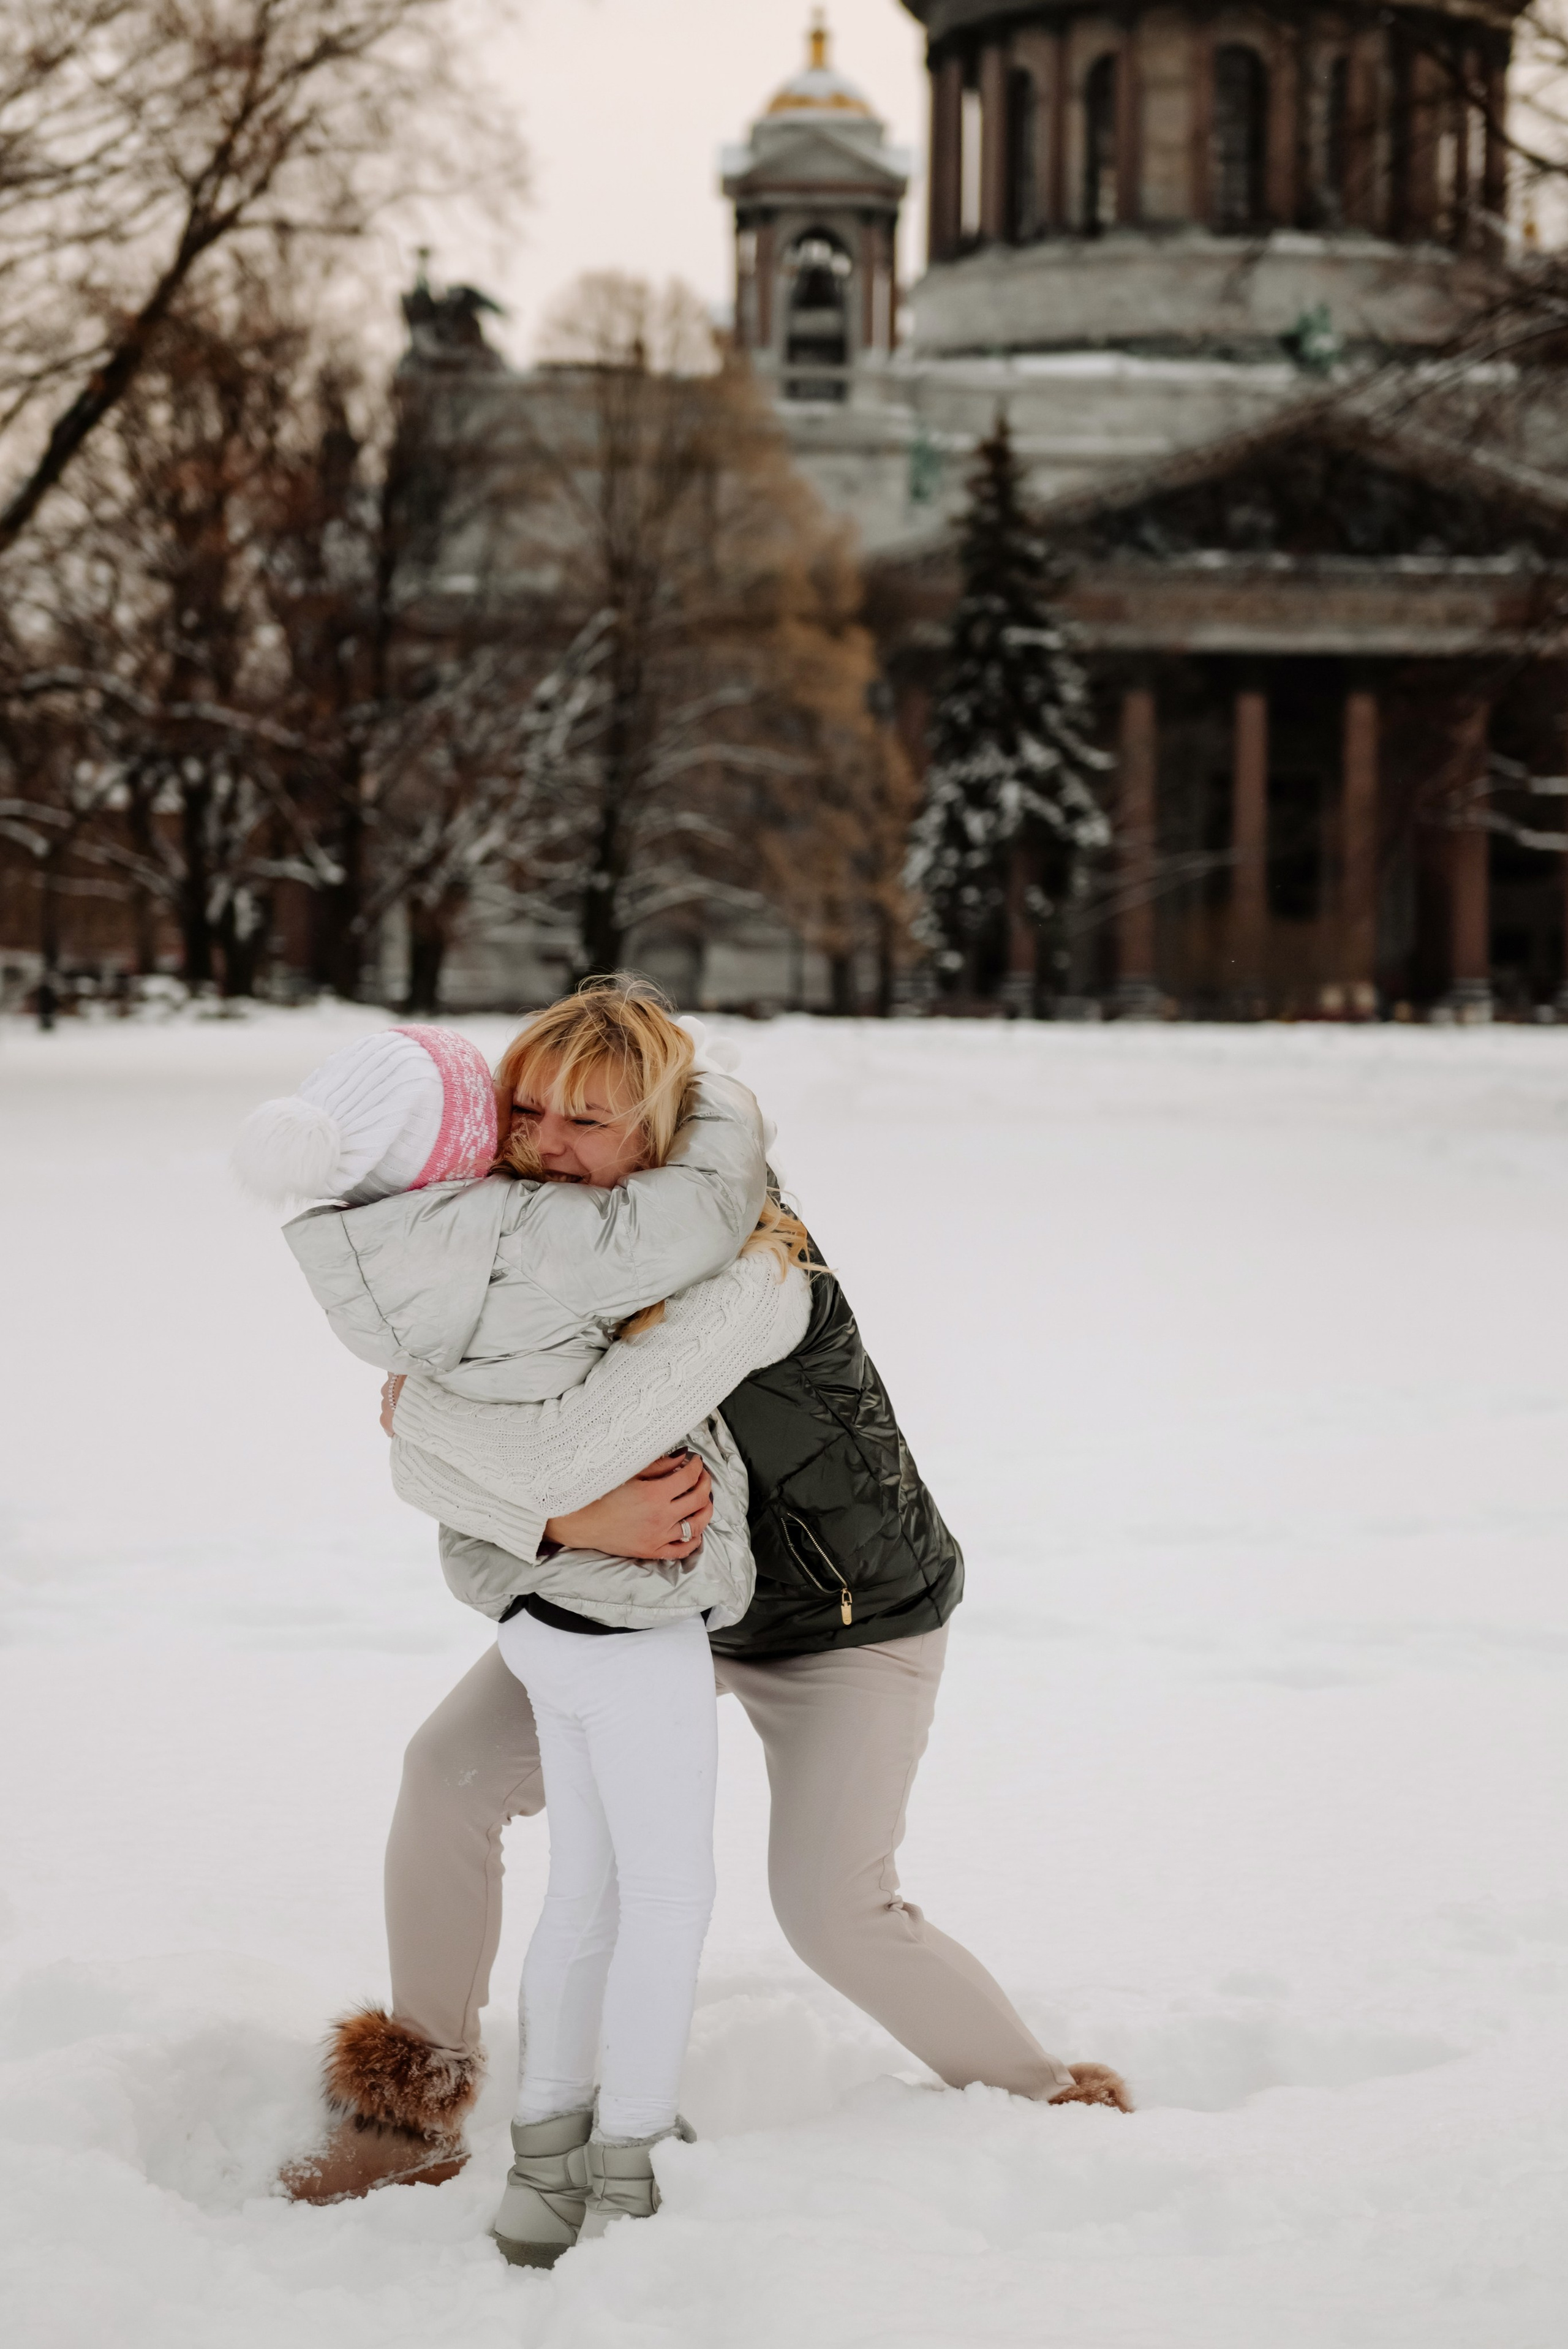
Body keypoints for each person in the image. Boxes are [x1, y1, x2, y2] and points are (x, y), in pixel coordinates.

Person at [271, 981, 1131, 2245]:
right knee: (445, 1776)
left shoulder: (750, 1268)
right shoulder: (534, 1243)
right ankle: (408, 2115)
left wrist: (512, 1472)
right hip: (649, 1607)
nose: (548, 1142)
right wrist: (561, 1521)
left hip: (843, 1622)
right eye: (528, 1108)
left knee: (829, 1907)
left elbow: (556, 1436)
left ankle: (1048, 2099)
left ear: (661, 1139)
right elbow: (416, 1439)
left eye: (592, 1119)